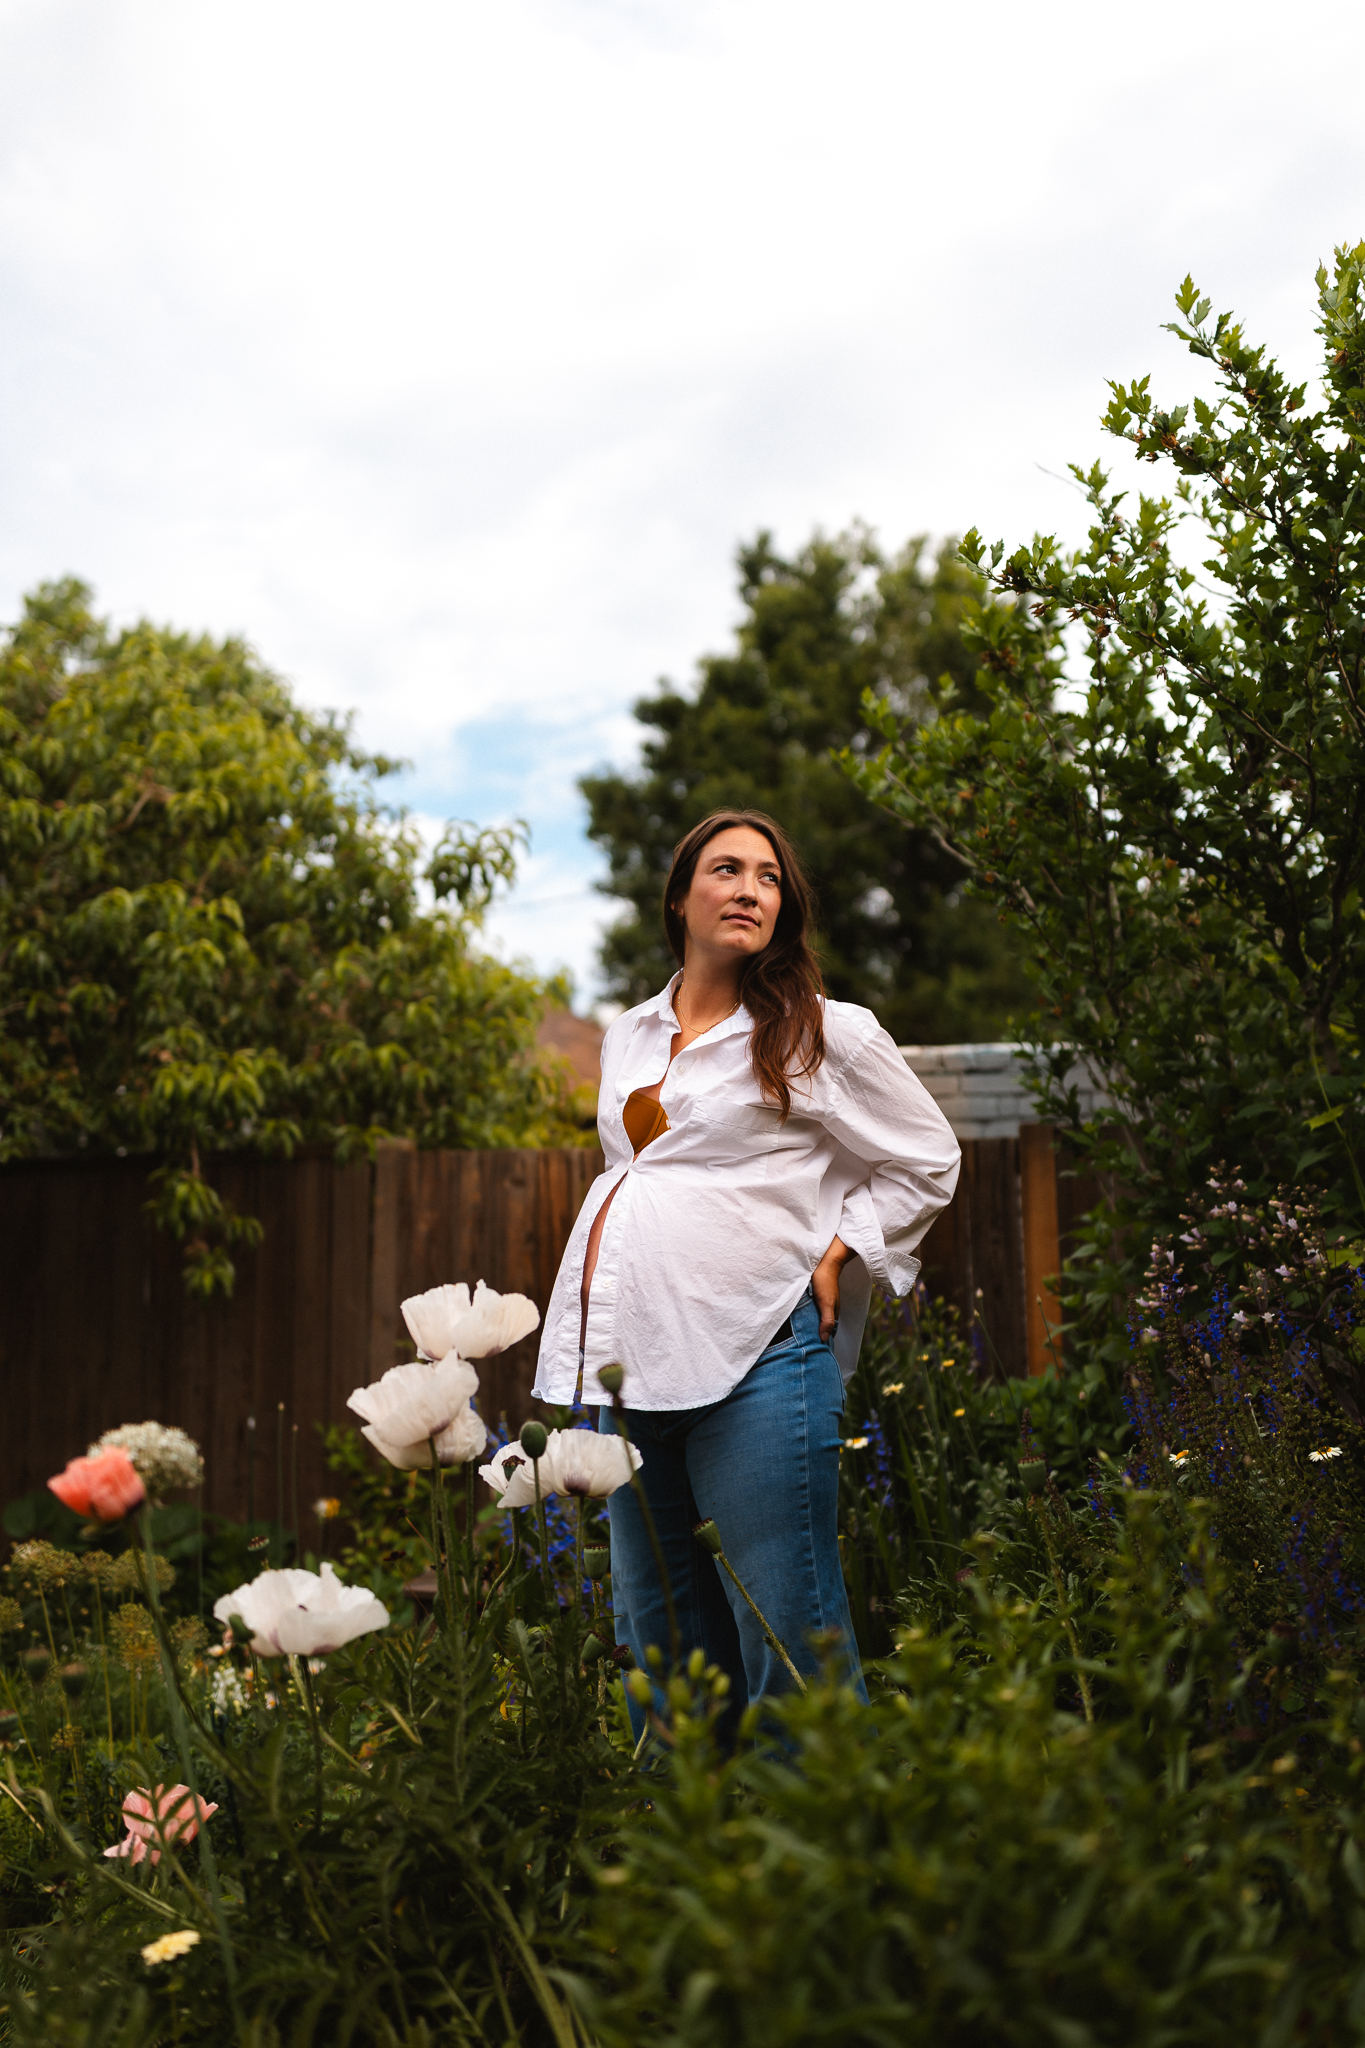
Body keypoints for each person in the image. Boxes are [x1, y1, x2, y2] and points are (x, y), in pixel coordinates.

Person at [532, 809, 960, 1729]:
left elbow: (927, 1157)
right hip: (634, 1364)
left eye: (768, 878)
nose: (750, 890)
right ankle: (682, 1853)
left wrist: (845, 1247)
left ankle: (811, 1859)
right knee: (661, 1643)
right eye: (726, 871)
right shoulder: (628, 1036)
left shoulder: (819, 1032)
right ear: (680, 897)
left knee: (785, 1634)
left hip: (761, 1354)